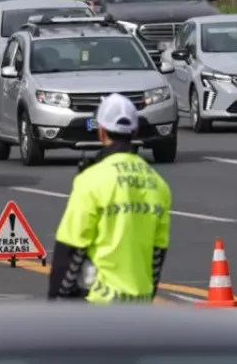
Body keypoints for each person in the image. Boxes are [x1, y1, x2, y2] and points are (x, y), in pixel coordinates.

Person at [48, 93, 172, 303]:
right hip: (138, 307)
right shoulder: (158, 184)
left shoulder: (91, 179)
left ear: (101, 132)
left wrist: (57, 305)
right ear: (134, 131)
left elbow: (71, 250)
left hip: (99, 306)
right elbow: (157, 255)